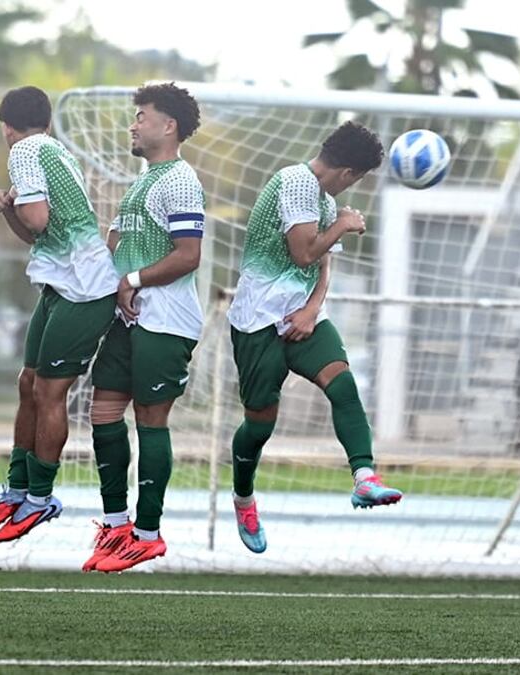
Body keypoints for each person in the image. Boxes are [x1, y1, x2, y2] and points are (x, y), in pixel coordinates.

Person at [226, 121, 403, 555]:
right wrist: (343, 224)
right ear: (349, 173)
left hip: (304, 318)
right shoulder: (295, 182)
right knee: (259, 426)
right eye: (358, 179)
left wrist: (311, 308)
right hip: (259, 321)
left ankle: (365, 478)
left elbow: (321, 264)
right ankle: (244, 499)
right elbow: (304, 251)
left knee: (343, 385)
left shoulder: (324, 200)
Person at [0, 86, 118, 542]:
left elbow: (35, 220)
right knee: (28, 384)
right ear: (49, 120)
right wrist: (10, 211)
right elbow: (37, 233)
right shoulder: (53, 148)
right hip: (63, 286)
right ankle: (16, 489)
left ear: (8, 128)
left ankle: (39, 498)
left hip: (85, 290)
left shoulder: (26, 150)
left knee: (49, 392)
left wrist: (14, 205)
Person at [85, 83, 207, 573]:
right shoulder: (143, 180)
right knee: (102, 414)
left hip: (165, 322)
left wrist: (132, 279)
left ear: (168, 125)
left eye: (141, 116)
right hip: (127, 319)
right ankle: (115, 526)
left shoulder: (180, 180)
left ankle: (148, 534)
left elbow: (188, 255)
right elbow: (117, 240)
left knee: (150, 422)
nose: (133, 125)